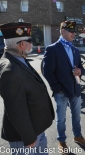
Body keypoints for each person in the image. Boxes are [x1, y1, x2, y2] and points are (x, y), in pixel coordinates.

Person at [0, 22, 54, 154]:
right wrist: (29, 137)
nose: (33, 43)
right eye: (30, 40)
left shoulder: (18, 58)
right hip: (25, 137)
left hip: (36, 129)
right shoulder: (10, 70)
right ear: (22, 44)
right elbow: (15, 110)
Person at [43, 21, 85, 153]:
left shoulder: (75, 49)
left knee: (76, 116)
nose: (74, 34)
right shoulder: (52, 49)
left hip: (75, 88)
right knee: (61, 119)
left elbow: (81, 66)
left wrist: (80, 71)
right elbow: (47, 72)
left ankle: (77, 136)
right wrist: (57, 88)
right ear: (63, 31)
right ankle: (62, 141)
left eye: (74, 31)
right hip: (61, 91)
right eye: (71, 31)